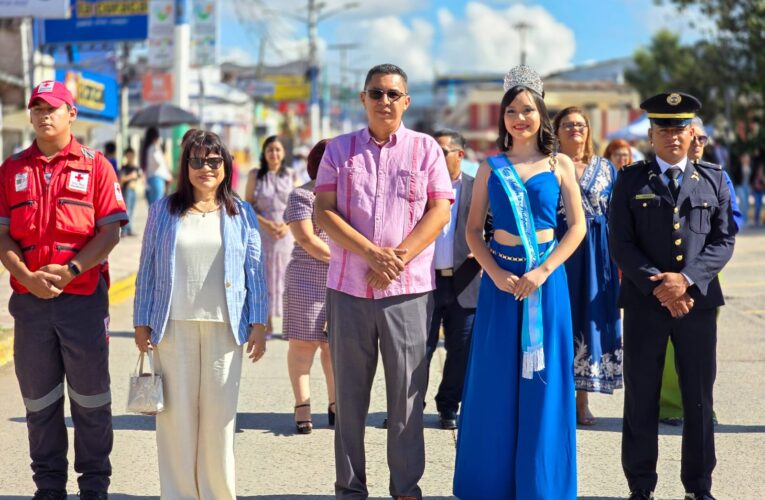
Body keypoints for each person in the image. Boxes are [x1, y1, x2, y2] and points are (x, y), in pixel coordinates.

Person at [314, 63, 453, 500]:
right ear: (363, 99)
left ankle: (406, 487)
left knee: (408, 399)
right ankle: (350, 488)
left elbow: (440, 210)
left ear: (406, 102)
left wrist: (396, 259)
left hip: (408, 292)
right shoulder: (339, 150)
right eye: (376, 93)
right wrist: (371, 254)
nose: (385, 101)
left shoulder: (426, 149)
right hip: (349, 289)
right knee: (349, 401)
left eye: (394, 94)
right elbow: (324, 211)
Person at [453, 65, 585, 499]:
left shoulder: (559, 163)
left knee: (544, 384)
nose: (520, 118)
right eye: (512, 110)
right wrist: (496, 273)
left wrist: (541, 272)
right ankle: (489, 484)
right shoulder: (491, 167)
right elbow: (474, 231)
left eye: (528, 109)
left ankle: (541, 485)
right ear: (502, 117)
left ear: (541, 114)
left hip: (546, 285)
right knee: (495, 381)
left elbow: (577, 228)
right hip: (501, 284)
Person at [0, 80, 128, 500]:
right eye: (37, 108)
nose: (43, 115)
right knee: (39, 402)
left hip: (83, 302)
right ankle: (49, 486)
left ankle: (94, 485)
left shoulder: (97, 166)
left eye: (52, 108)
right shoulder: (12, 169)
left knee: (91, 400)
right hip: (31, 304)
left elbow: (110, 231)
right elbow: (3, 236)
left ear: (72, 113)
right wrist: (27, 275)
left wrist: (73, 269)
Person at [608, 92, 735, 500]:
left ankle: (699, 487)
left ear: (691, 132)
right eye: (664, 128)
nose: (673, 136)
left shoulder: (713, 178)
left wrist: (686, 281)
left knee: (698, 398)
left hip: (697, 304)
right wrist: (659, 285)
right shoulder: (630, 180)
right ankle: (641, 486)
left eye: (680, 128)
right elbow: (621, 243)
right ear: (651, 134)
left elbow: (723, 240)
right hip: (646, 305)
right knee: (641, 396)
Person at [133, 130, 268, 500]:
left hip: (226, 328)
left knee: (219, 422)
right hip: (171, 325)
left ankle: (217, 494)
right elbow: (147, 268)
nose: (205, 168)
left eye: (213, 161)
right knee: (175, 422)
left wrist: (259, 322)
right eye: (196, 161)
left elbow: (255, 268)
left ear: (225, 166)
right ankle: (178, 494)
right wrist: (141, 321)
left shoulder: (241, 212)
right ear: (185, 166)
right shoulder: (163, 210)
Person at [658, 116, 743, 427]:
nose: (696, 144)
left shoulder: (717, 178)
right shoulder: (655, 173)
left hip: (704, 274)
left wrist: (698, 269)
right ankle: (669, 404)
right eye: (693, 137)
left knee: (703, 348)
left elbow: (732, 222)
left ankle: (702, 405)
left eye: (702, 139)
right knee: (667, 347)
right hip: (663, 277)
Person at [553, 107, 622, 426]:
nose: (574, 129)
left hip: (597, 253)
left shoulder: (606, 168)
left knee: (590, 321)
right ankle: (558, 398)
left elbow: (620, 216)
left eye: (580, 124)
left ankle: (583, 400)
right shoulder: (547, 165)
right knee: (560, 319)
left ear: (589, 130)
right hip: (558, 249)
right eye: (567, 125)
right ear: (556, 131)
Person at [424, 129, 482, 430]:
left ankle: (448, 407)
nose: (435, 155)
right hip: (426, 283)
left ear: (460, 154)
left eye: (442, 150)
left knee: (461, 351)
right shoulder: (420, 188)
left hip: (466, 281)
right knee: (418, 348)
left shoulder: (478, 189)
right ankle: (408, 407)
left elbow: (496, 224)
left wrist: (488, 250)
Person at [282, 139, 335, 434]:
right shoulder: (302, 195)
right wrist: (345, 261)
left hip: (342, 281)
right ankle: (302, 405)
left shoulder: (348, 194)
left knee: (334, 347)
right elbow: (306, 238)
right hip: (307, 277)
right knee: (303, 346)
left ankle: (335, 403)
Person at [244, 135, 295, 335]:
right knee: (263, 277)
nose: (274, 154)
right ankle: (266, 323)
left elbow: (298, 204)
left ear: (283, 153)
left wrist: (287, 225)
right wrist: (265, 224)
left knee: (287, 278)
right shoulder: (255, 175)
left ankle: (288, 324)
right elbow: (248, 206)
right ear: (264, 153)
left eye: (277, 150)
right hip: (261, 233)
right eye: (270, 150)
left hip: (286, 234)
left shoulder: (291, 175)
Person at [140, 126, 173, 205]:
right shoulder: (154, 148)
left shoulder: (147, 149)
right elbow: (159, 163)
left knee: (153, 206)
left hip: (150, 179)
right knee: (157, 206)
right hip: (157, 179)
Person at [119, 147, 140, 237]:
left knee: (132, 210)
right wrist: (131, 176)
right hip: (127, 190)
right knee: (127, 210)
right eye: (129, 155)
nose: (131, 157)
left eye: (132, 155)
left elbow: (139, 176)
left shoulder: (135, 167)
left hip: (133, 190)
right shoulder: (124, 167)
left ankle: (129, 229)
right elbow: (121, 179)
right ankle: (124, 230)